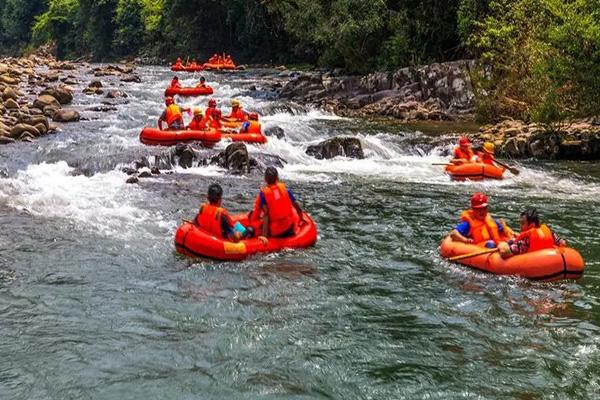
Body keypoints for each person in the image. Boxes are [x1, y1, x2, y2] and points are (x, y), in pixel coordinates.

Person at [255, 167, 304, 244]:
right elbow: (297, 206)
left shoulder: (263, 194)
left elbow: (266, 214)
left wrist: (264, 236)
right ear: (277, 178)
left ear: (265, 179)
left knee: (255, 226)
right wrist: (301, 218)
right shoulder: (286, 190)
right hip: (289, 229)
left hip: (276, 232)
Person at [450, 192, 514, 249]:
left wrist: (513, 236)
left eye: (484, 208)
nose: (482, 211)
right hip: (479, 247)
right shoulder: (468, 224)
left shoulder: (491, 220)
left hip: (495, 245)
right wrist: (465, 240)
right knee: (491, 243)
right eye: (478, 209)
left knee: (510, 241)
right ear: (473, 209)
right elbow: (453, 234)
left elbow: (503, 231)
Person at [499, 208, 566, 258]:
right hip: (552, 261)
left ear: (532, 224)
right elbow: (562, 242)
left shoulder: (525, 241)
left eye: (522, 223)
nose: (520, 226)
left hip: (535, 265)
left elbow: (505, 253)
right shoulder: (550, 233)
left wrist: (502, 245)